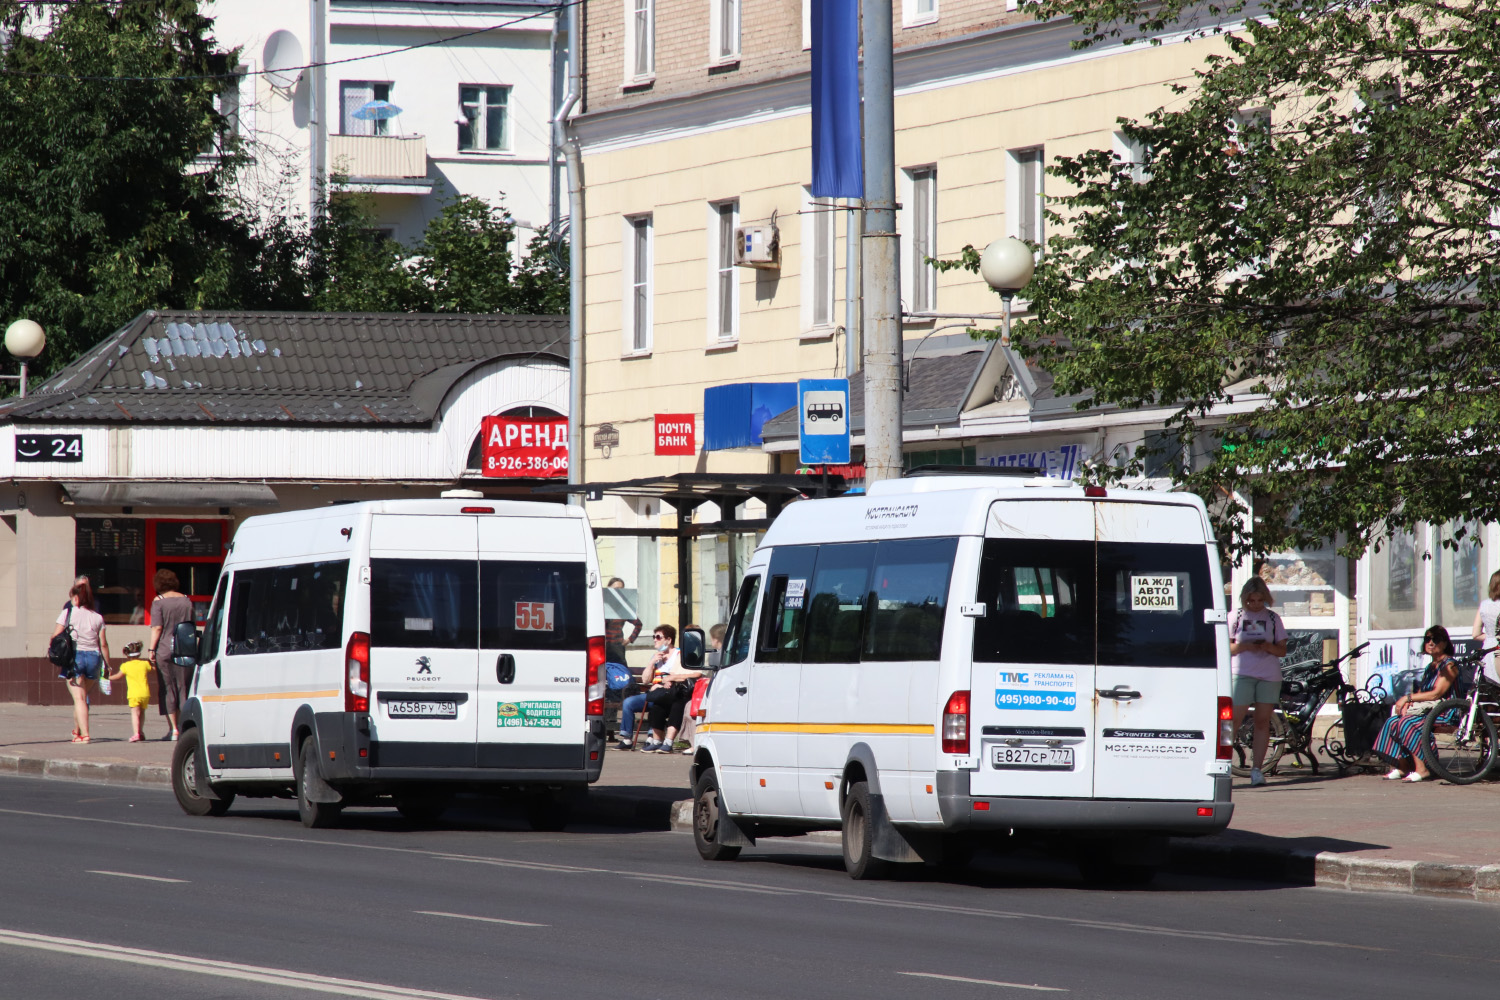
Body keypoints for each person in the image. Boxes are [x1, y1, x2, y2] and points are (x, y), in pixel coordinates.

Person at [1374, 625, 1462, 782]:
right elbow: (1422, 694)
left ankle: (1423, 769)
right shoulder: (1430, 667)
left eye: (1435, 639)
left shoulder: (1450, 665)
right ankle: (1402, 767)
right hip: (1428, 711)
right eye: (1428, 639)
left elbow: (1436, 693)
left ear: (1445, 643)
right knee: (1393, 721)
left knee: (1408, 722)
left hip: (1446, 711)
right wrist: (1410, 703)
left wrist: (1408, 698)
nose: (1431, 643)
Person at [1229, 577, 1287, 787]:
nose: (1254, 605)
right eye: (1250, 601)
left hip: (1268, 675)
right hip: (1241, 672)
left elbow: (1282, 650)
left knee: (1263, 722)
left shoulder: (1272, 618)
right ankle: (1224, 765)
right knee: (1233, 721)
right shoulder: (1234, 616)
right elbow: (1225, 648)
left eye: (1259, 601)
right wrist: (1244, 646)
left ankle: (1257, 770)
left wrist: (1266, 647)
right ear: (1244, 599)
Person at [51, 580, 109, 744]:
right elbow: (103, 643)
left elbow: (55, 636)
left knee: (79, 699)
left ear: (76, 598)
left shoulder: (67, 613)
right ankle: (77, 731)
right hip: (94, 658)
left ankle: (85, 735)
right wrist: (108, 664)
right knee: (83, 697)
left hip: (75, 658)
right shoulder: (98, 617)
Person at [643, 624, 711, 753]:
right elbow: (648, 680)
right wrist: (654, 666)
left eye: (658, 637)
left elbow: (697, 674)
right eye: (654, 637)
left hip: (687, 692)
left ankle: (668, 742)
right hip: (669, 690)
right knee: (657, 705)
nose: (655, 640)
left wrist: (672, 678)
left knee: (678, 704)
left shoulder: (690, 655)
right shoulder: (658, 657)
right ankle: (657, 741)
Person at [148, 569, 195, 742]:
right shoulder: (186, 600)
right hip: (185, 649)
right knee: (184, 687)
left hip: (165, 649)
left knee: (168, 688)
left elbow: (157, 628)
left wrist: (151, 649)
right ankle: (184, 728)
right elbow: (191, 624)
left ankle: (173, 729)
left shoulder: (158, 601)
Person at [109, 641, 154, 742]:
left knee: (134, 713)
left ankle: (136, 733)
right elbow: (153, 669)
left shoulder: (125, 666)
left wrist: (109, 678)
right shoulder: (145, 664)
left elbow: (118, 676)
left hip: (133, 694)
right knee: (142, 713)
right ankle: (141, 732)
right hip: (145, 693)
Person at [604, 577, 643, 665]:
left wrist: (629, 640)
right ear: (608, 588)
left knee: (620, 672)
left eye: (622, 589)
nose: (619, 591)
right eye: (616, 589)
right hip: (601, 646)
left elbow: (638, 624)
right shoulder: (601, 604)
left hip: (617, 647)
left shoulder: (623, 608)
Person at [1472, 571, 1500, 685]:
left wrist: (1490, 636)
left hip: (1488, 650)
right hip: (1498, 649)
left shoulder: (1484, 605)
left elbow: (1476, 634)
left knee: (1490, 691)